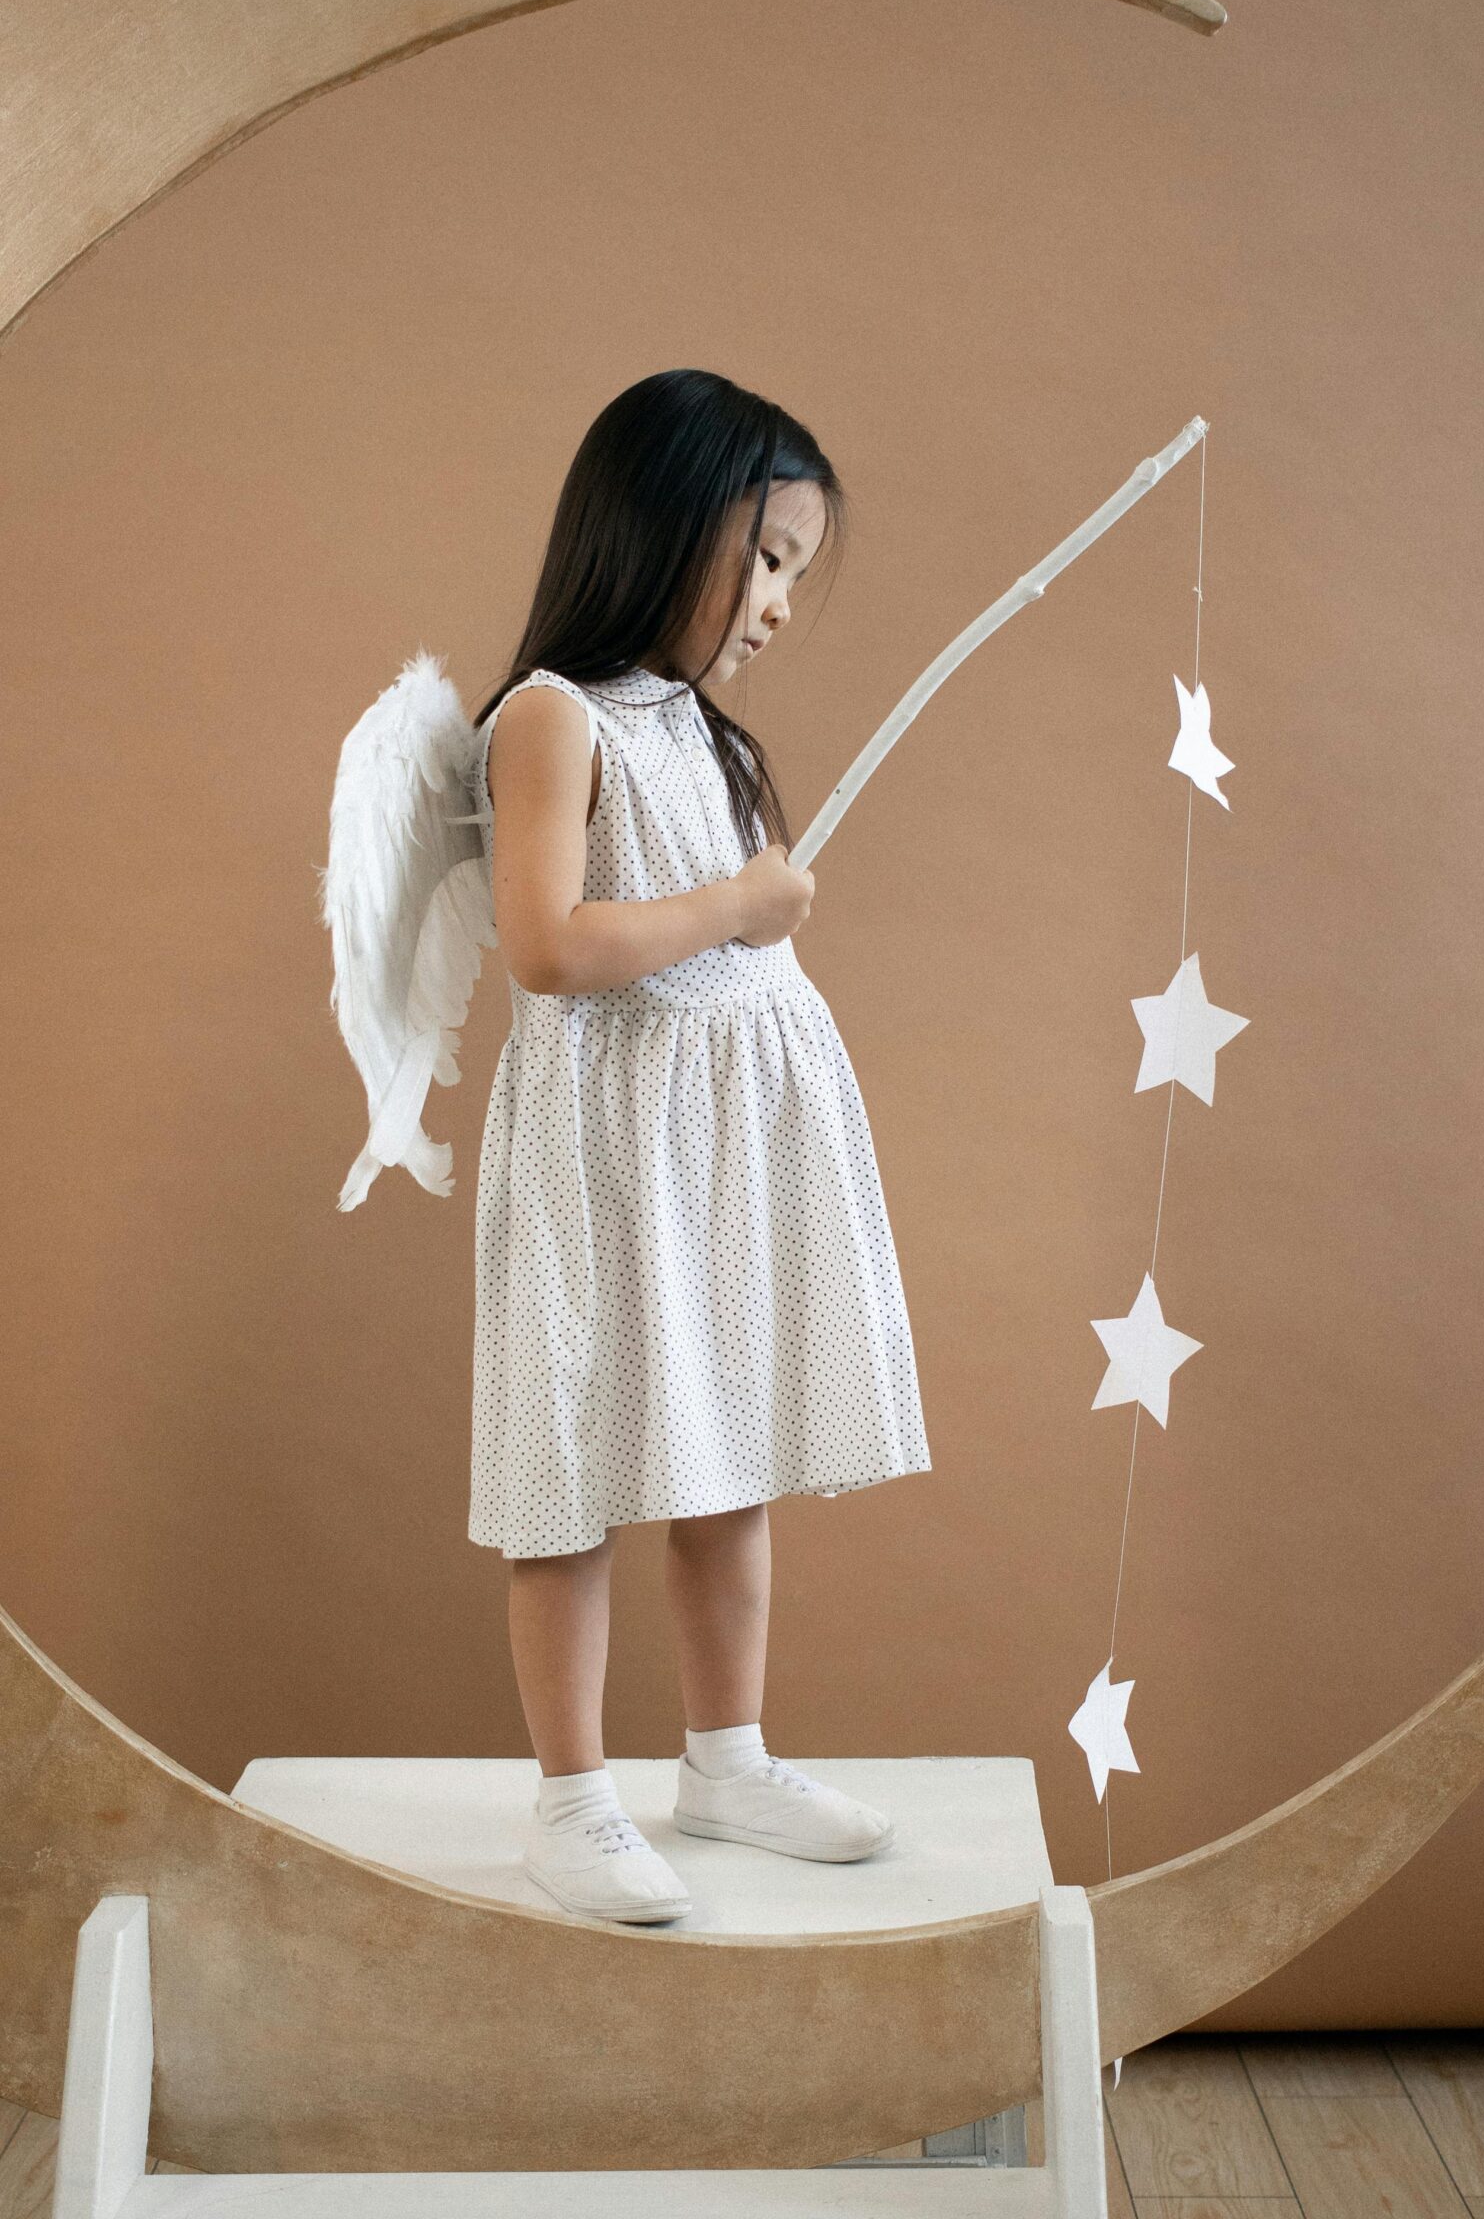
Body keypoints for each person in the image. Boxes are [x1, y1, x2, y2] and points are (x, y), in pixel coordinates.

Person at [466, 368, 932, 1926]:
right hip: (607, 1164)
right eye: (772, 556)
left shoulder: (705, 739)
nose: (786, 601)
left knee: (725, 1460)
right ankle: (574, 1797)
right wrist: (740, 907)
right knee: (576, 1471)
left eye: (801, 567)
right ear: (665, 522)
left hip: (714, 1163)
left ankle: (725, 1758)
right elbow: (544, 943)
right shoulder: (551, 719)